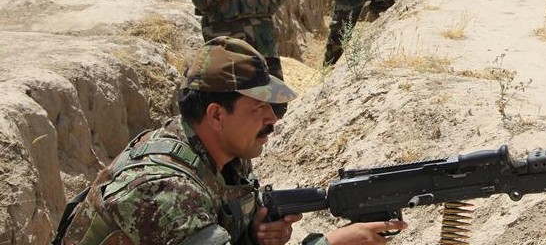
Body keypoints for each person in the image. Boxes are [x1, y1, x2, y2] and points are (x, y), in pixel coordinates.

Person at [55, 36, 407, 244]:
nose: (271, 118)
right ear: (217, 116)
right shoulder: (162, 187)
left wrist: (252, 236)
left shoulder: (221, 156)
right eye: (258, 108)